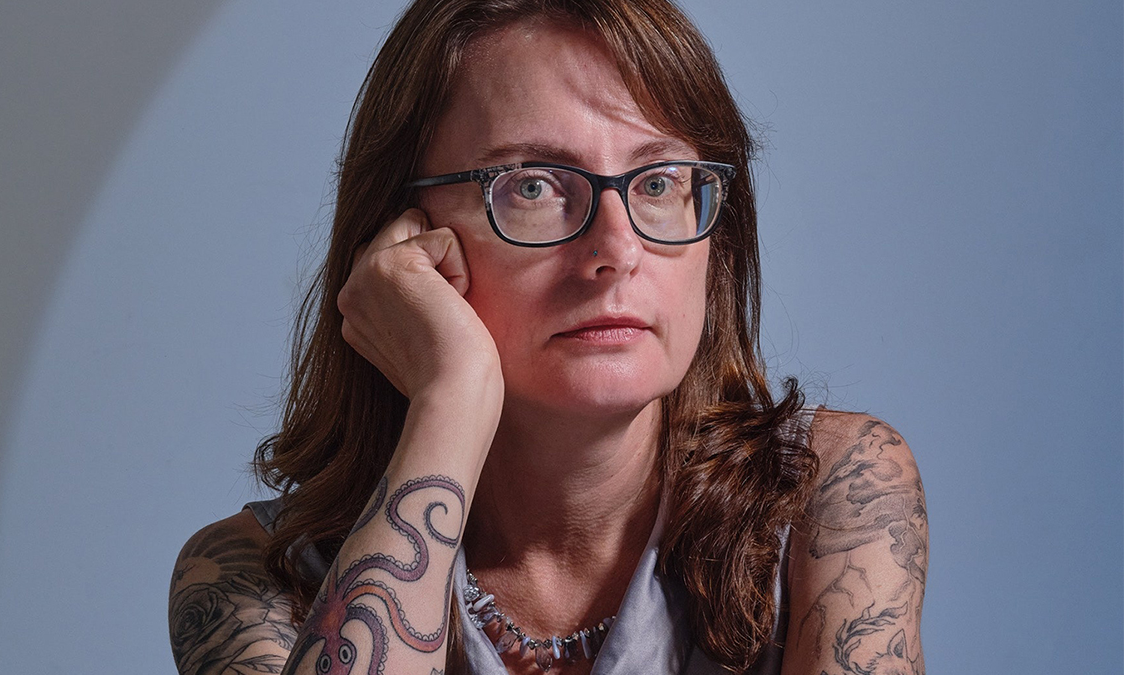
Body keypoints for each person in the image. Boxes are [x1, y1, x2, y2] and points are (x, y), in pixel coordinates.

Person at [167, 1, 929, 673]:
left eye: (659, 182)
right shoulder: (248, 577)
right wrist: (451, 398)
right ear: (404, 239)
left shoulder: (836, 493)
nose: (616, 250)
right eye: (532, 187)